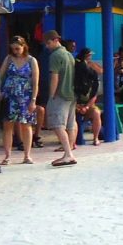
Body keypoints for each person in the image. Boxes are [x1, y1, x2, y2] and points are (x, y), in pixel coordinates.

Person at [0, 35, 39, 164]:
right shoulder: (9, 59)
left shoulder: (31, 60)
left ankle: (27, 155)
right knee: (8, 125)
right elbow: (0, 75)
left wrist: (33, 100)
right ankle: (7, 155)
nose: (15, 51)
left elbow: (35, 82)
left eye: (17, 49)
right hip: (10, 95)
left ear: (23, 47)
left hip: (25, 96)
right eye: (13, 49)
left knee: (26, 125)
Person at [43, 30, 78, 167]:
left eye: (48, 43)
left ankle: (68, 154)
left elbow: (54, 77)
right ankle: (69, 152)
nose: (47, 46)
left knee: (58, 125)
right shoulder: (69, 55)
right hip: (71, 94)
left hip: (60, 94)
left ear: (55, 40)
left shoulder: (55, 55)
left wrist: (51, 96)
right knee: (70, 125)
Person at [74, 48, 103, 145]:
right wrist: (76, 106)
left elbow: (94, 96)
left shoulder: (93, 82)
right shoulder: (76, 80)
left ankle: (95, 138)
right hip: (74, 105)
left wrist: (86, 107)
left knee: (96, 113)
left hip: (87, 106)